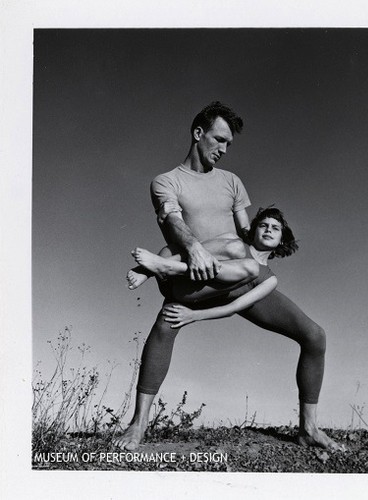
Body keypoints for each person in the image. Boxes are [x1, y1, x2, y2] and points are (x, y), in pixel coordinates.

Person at [114, 101, 343, 451]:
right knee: (167, 321)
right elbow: (174, 222)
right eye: (219, 140)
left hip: (236, 276)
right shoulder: (166, 182)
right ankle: (138, 425)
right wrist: (194, 249)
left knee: (315, 336)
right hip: (196, 279)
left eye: (229, 145)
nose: (223, 150)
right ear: (198, 133)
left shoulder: (232, 182)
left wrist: (272, 238)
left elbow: (245, 233)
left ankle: (308, 430)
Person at [129, 206, 297, 326]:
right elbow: (194, 251)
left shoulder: (269, 279)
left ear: (282, 239)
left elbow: (233, 308)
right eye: (263, 225)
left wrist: (194, 315)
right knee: (231, 245)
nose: (268, 230)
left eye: (275, 228)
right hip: (169, 264)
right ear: (255, 230)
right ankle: (153, 269)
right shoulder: (234, 241)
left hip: (187, 291)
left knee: (252, 267)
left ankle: (166, 267)